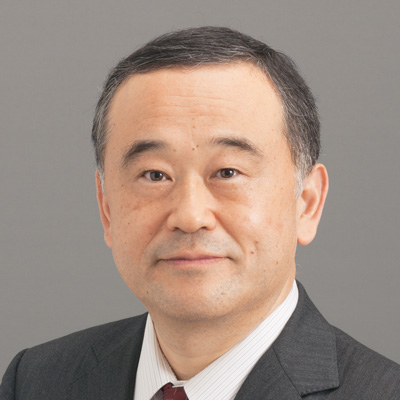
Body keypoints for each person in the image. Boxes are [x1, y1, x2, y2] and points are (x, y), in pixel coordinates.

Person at [1, 26, 399, 400]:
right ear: (106, 208)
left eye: (227, 172)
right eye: (155, 175)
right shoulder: (36, 381)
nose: (190, 216)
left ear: (307, 202)